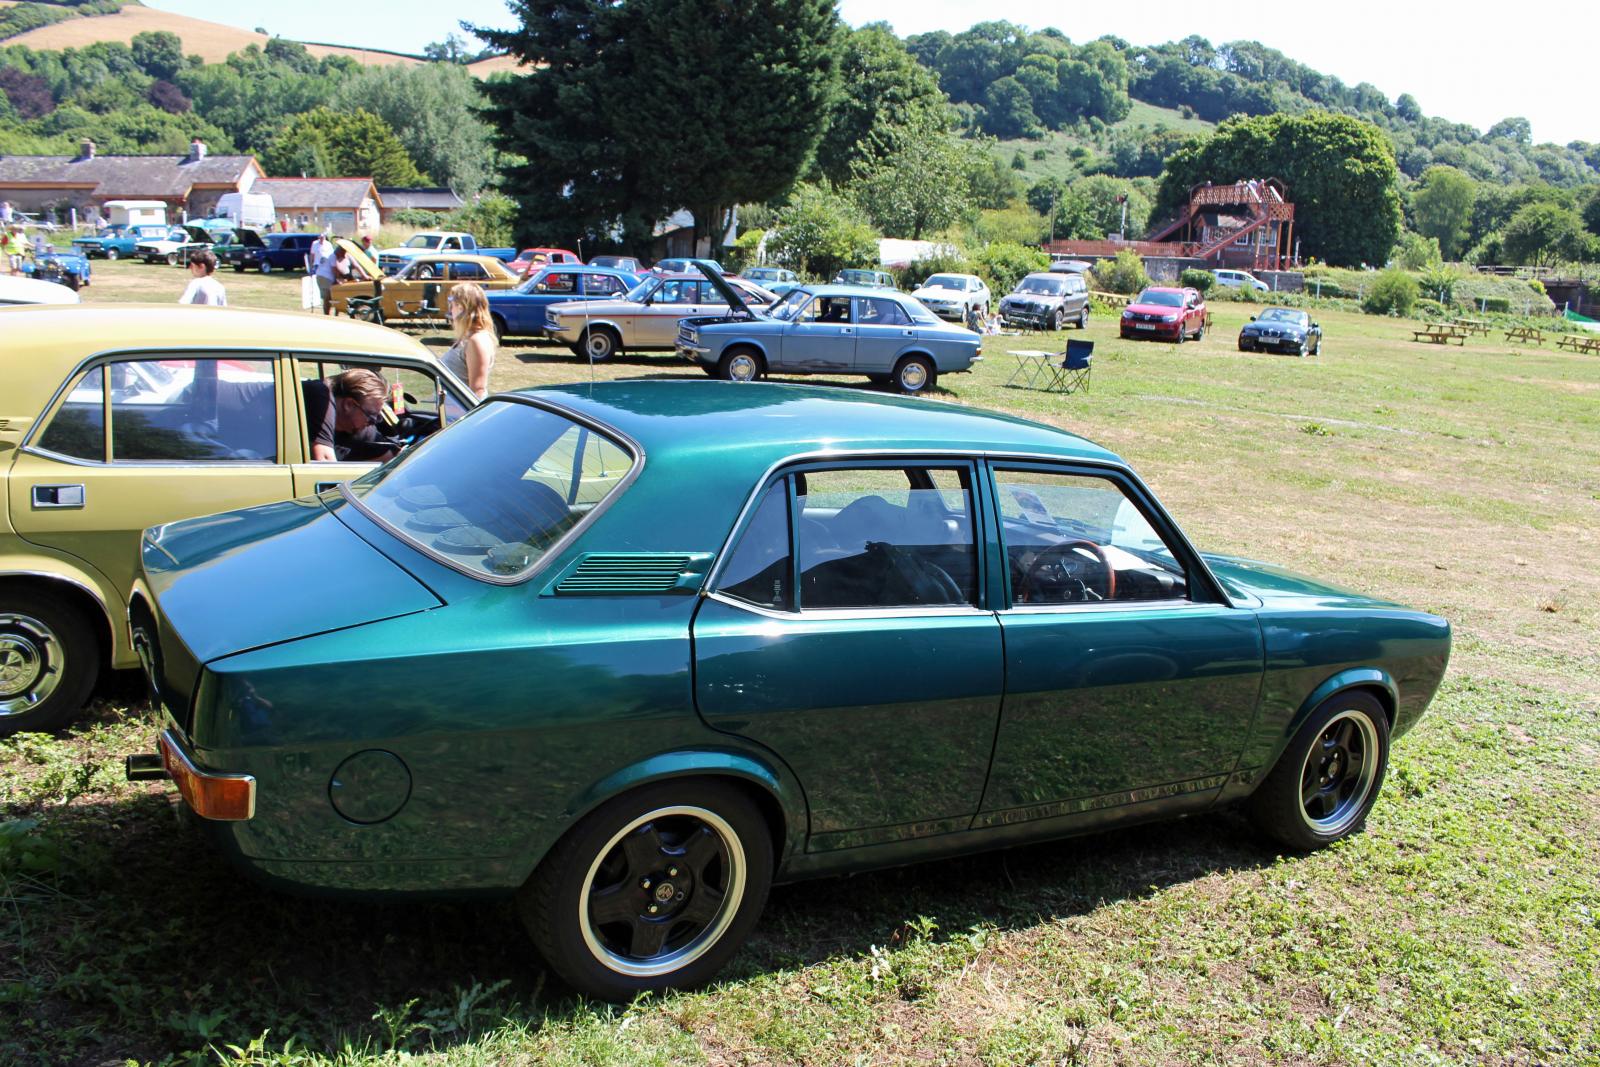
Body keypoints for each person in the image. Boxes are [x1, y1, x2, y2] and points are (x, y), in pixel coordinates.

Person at [302, 367, 396, 462]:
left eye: (378, 417)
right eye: (371, 415)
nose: (373, 422)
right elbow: (324, 461)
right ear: (349, 405)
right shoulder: (320, 396)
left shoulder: (360, 427)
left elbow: (389, 456)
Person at [441, 282, 496, 398]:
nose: (451, 309)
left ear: (462, 307)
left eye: (452, 303)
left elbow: (477, 391)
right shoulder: (468, 337)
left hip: (460, 415)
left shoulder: (477, 340)